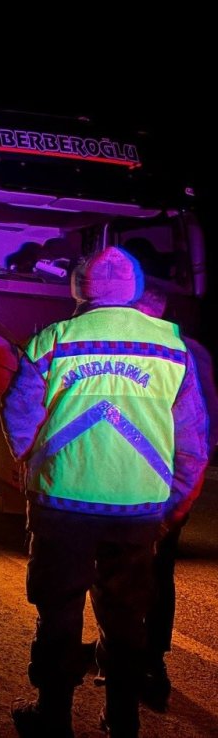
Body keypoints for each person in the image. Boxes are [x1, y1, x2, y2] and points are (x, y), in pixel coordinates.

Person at [1, 247, 209, 737]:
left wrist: (34, 465)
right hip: (136, 510)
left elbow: (18, 415)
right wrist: (172, 504)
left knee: (58, 609)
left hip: (62, 506)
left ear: (80, 288)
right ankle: (122, 716)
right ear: (135, 289)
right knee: (126, 616)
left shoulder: (54, 339)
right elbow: (193, 441)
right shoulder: (172, 345)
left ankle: (52, 714)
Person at [122, 280, 218, 712]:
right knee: (153, 571)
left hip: (150, 479)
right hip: (167, 478)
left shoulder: (173, 351)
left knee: (144, 570)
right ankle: (140, 657)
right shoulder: (191, 348)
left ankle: (144, 662)